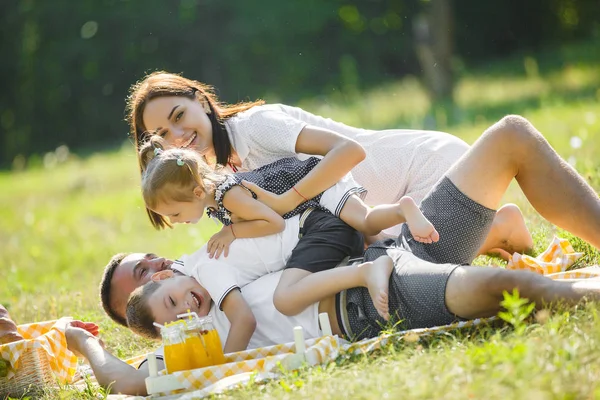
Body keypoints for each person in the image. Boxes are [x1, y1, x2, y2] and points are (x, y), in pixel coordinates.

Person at [126, 71, 533, 258]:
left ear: (201, 101)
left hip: (424, 166)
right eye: (161, 135)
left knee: (413, 268)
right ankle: (486, 232)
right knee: (374, 265)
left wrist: (289, 199)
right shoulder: (219, 176)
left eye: (179, 116)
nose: (176, 135)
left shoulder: (256, 126)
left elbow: (349, 150)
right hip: (372, 208)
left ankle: (499, 227)